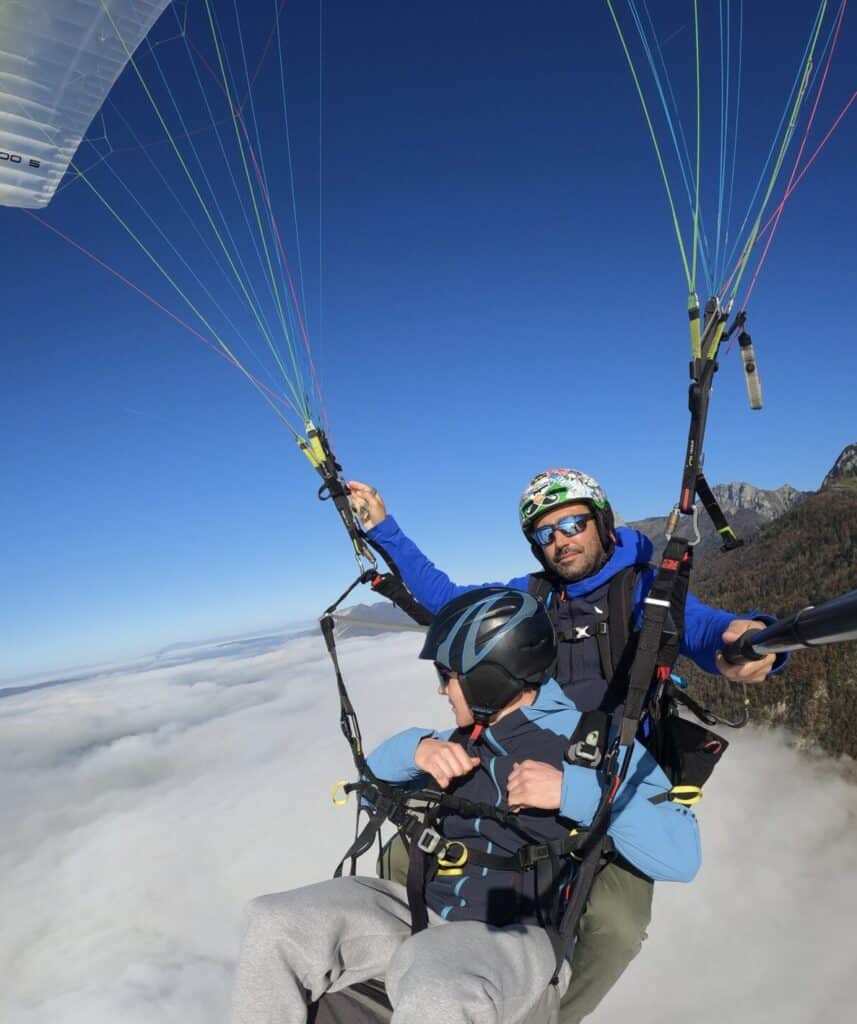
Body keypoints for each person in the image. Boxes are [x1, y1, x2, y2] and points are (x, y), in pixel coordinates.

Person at [346, 468, 784, 1023]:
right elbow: (451, 603)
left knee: (616, 926)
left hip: (613, 779)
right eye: (545, 534)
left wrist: (747, 644)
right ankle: (393, 982)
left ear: (600, 521)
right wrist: (385, 531)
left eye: (572, 523)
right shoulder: (533, 597)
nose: (560, 541)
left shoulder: (646, 588)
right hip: (519, 756)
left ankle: (549, 1013)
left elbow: (707, 631)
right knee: (408, 852)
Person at [230, 588, 701, 1024]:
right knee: (273, 924)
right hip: (415, 910)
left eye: (447, 676)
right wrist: (412, 750)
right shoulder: (454, 741)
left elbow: (681, 857)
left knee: (437, 985)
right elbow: (366, 790)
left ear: (489, 680)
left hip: (510, 938)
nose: (441, 690)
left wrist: (573, 793)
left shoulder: (597, 749)